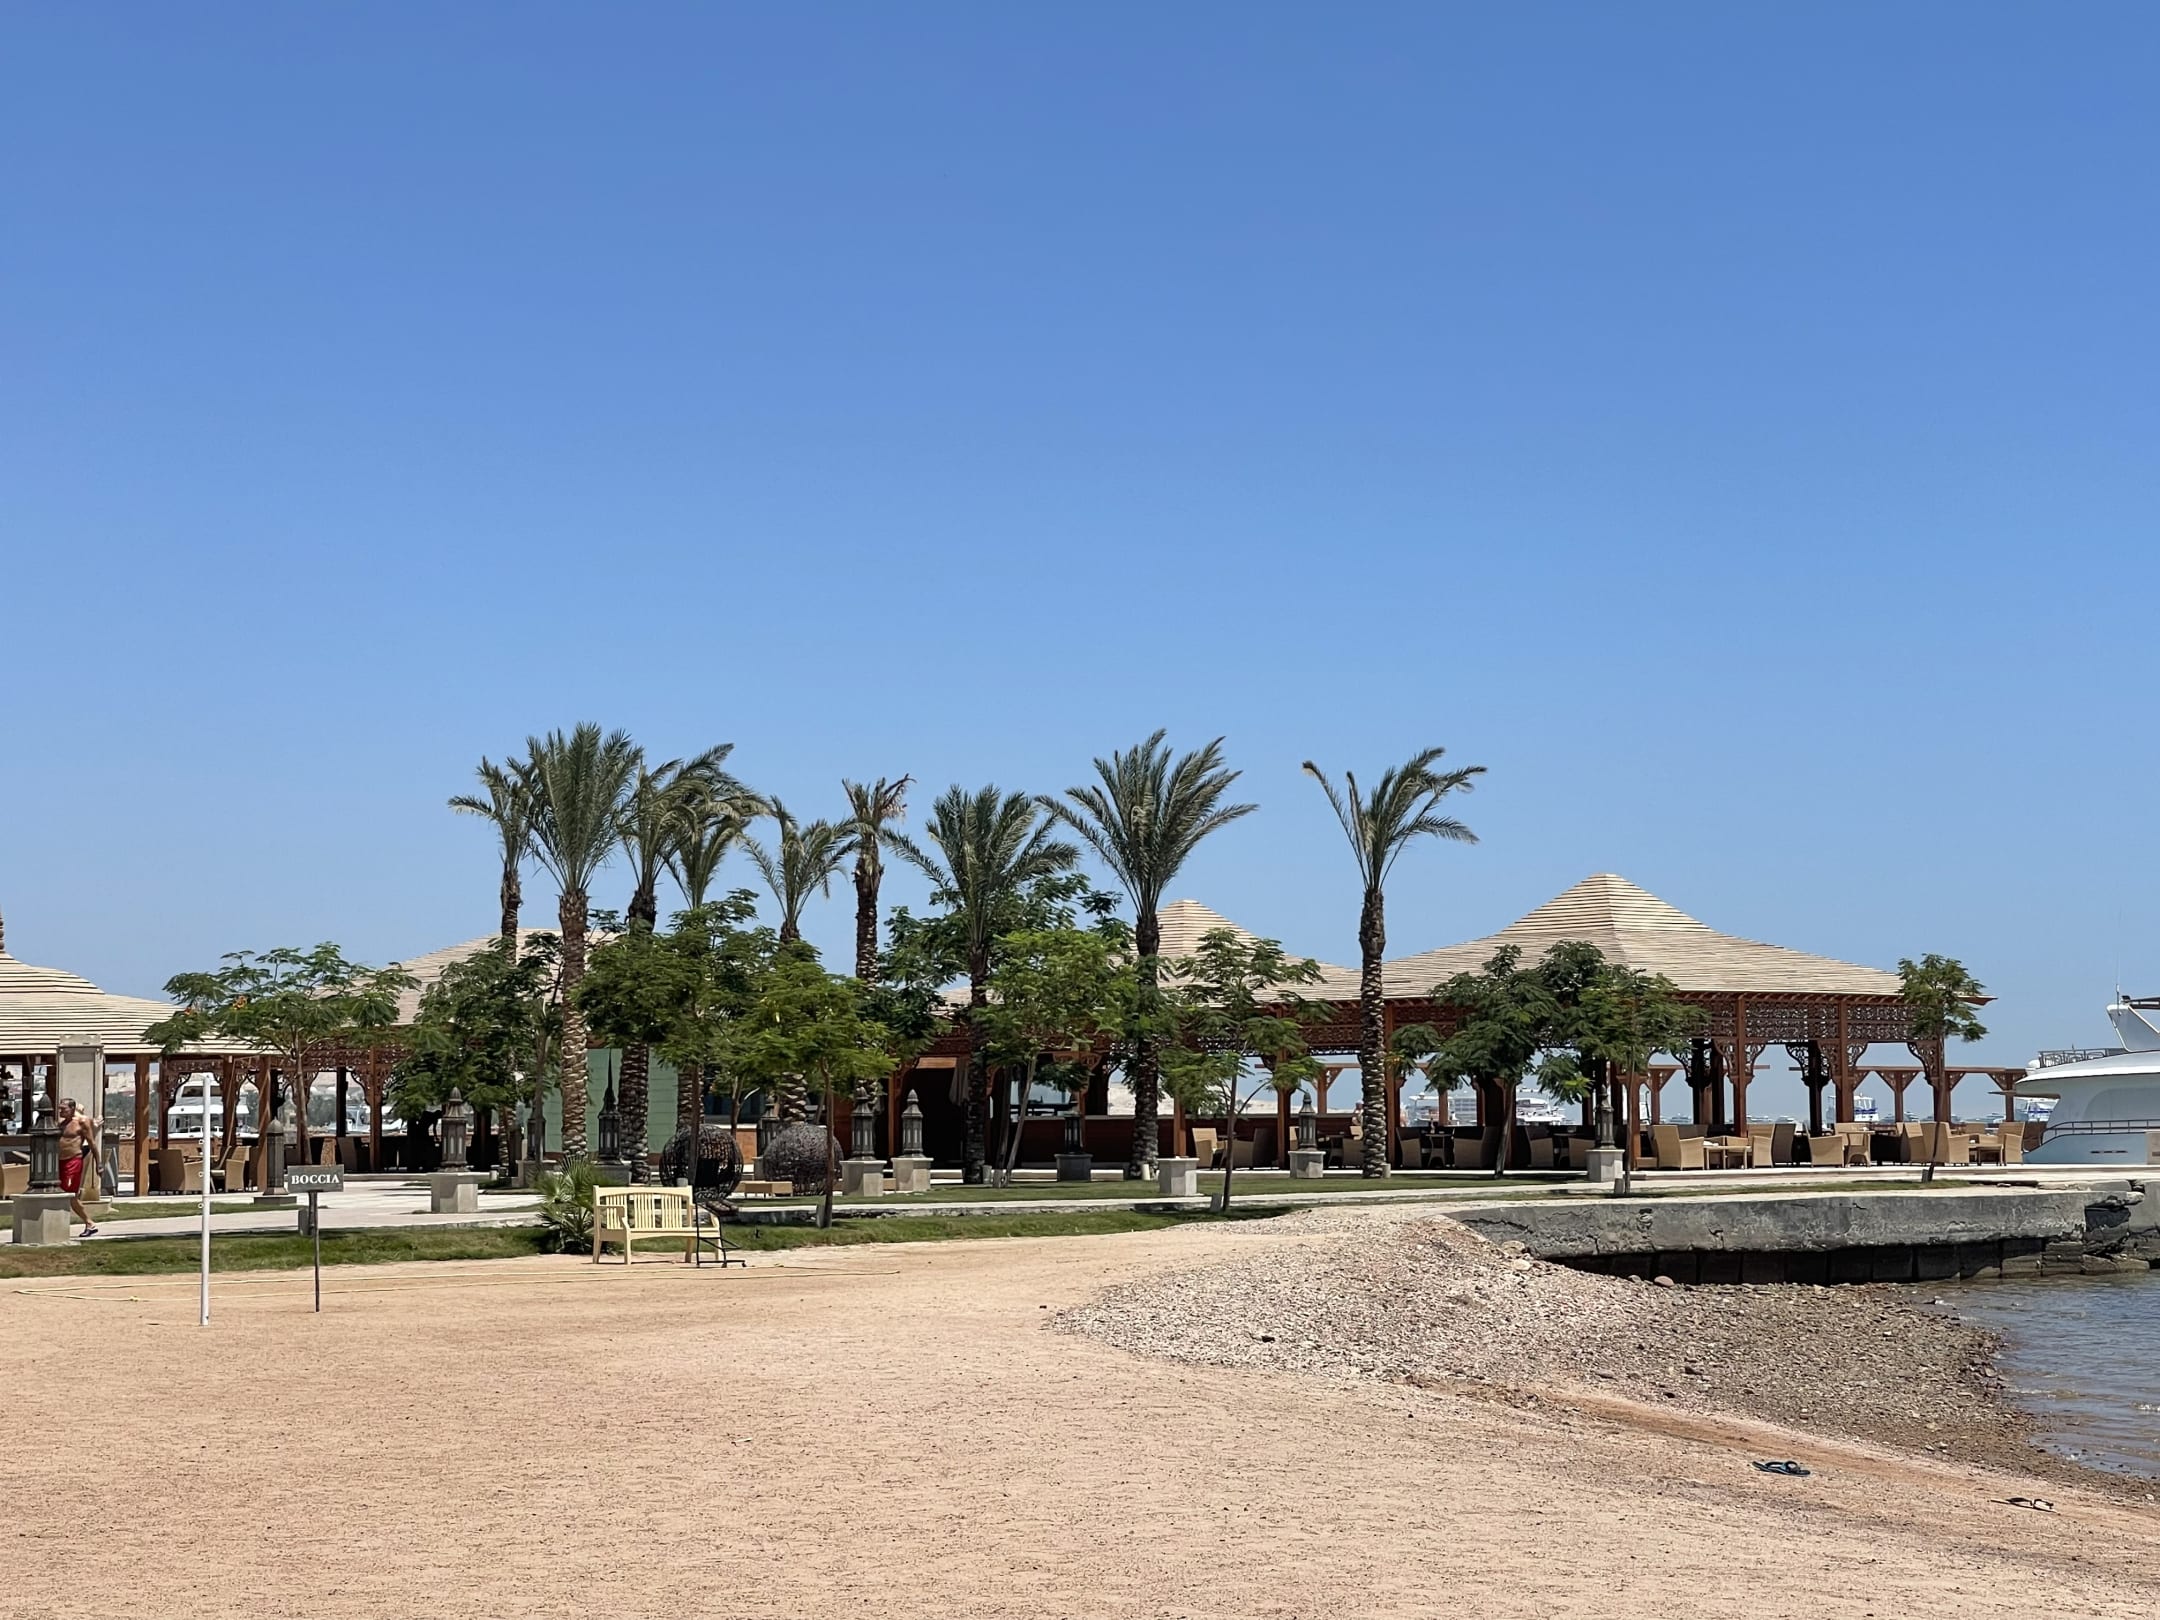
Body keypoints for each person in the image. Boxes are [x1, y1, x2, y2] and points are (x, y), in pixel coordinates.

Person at [56, 1097, 99, 1238]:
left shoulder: (82, 1122)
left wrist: (99, 1164)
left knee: (70, 1195)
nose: (60, 1111)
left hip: (73, 1161)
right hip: (61, 1162)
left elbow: (92, 1143)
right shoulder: (61, 1124)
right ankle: (86, 1223)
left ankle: (89, 1223)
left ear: (72, 1108)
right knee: (64, 1194)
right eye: (60, 1108)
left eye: (64, 1109)